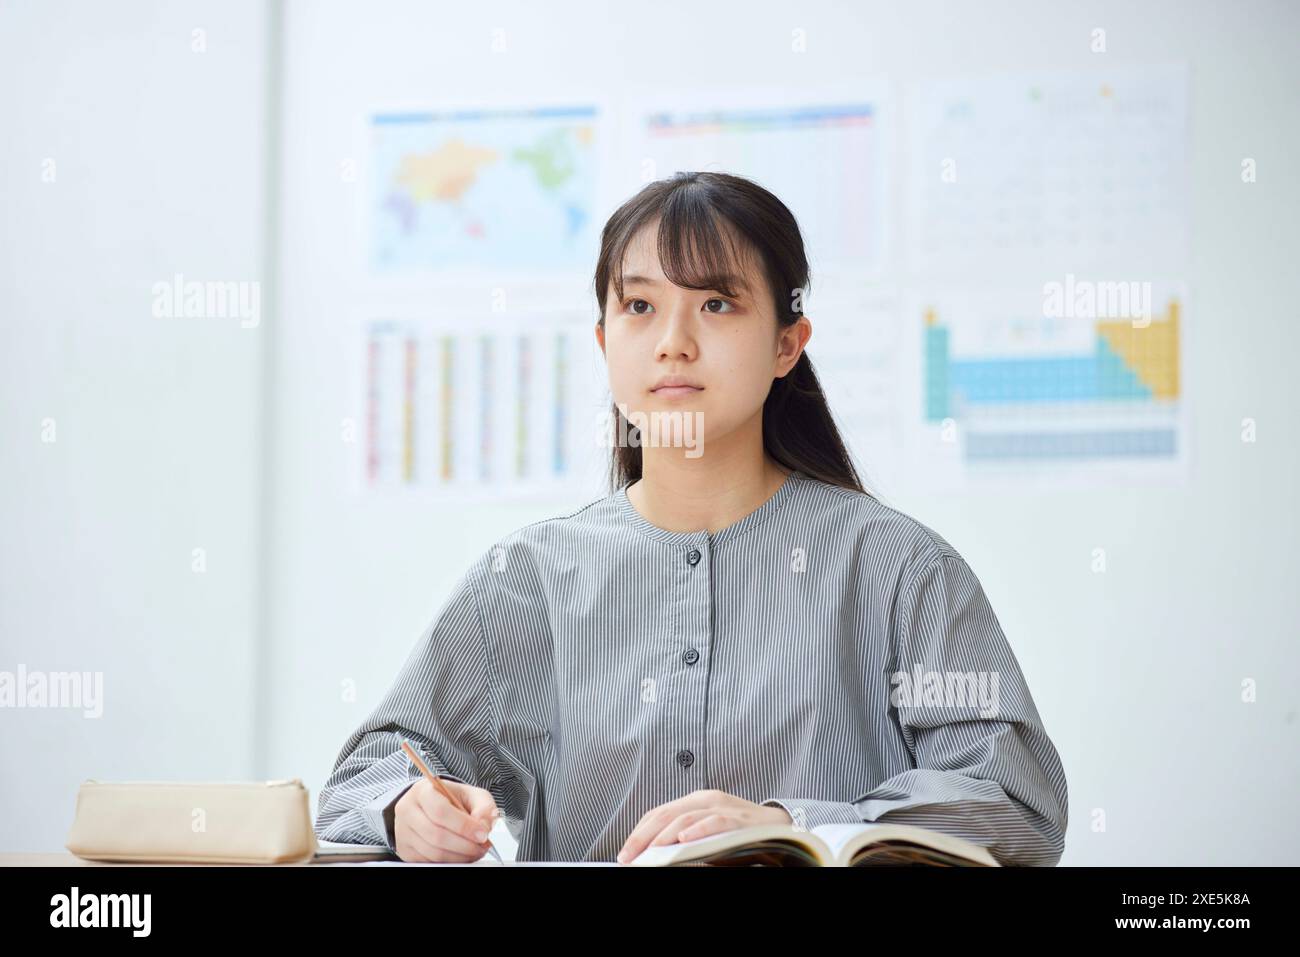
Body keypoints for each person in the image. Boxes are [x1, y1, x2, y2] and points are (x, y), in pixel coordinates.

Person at [314, 171, 1068, 866]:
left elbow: (1016, 803)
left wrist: (790, 825)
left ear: (786, 345)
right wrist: (406, 808)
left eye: (716, 303)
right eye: (640, 306)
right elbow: (364, 776)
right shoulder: (526, 581)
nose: (672, 340)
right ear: (606, 342)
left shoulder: (899, 569)